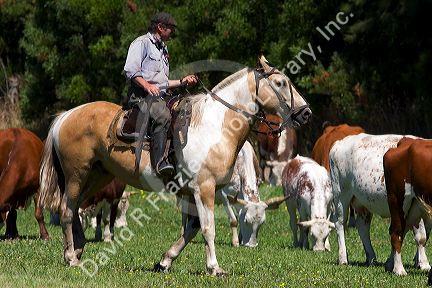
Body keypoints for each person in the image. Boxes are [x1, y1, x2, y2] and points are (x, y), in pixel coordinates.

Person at [122, 12, 197, 177]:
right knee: (163, 115)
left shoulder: (163, 48)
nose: (172, 33)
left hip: (158, 96)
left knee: (185, 108)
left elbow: (162, 83)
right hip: (140, 95)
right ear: (160, 27)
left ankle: (177, 158)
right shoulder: (141, 43)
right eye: (170, 29)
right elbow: (130, 70)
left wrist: (183, 81)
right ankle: (159, 163)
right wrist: (147, 85)